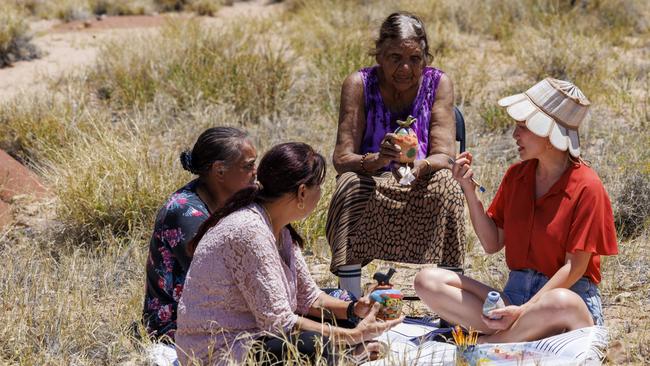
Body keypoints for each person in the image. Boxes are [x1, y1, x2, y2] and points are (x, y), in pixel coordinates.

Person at [414, 78, 618, 342]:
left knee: (561, 301)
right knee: (427, 280)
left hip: (563, 306)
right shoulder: (517, 176)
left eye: (523, 127)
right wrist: (468, 189)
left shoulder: (588, 186)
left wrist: (524, 311)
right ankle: (512, 337)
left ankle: (488, 343)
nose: (514, 135)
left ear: (547, 133)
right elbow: (491, 243)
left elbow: (575, 269)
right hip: (514, 301)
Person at [176, 142, 403, 365]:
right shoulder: (249, 231)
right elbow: (280, 324)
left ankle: (344, 355)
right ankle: (347, 356)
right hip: (218, 349)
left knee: (343, 316)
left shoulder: (280, 229)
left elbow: (309, 297)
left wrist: (354, 310)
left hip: (257, 333)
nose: (321, 193)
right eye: (319, 186)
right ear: (302, 192)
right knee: (313, 345)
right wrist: (353, 337)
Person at [327, 11, 465, 298]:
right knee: (350, 185)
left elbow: (445, 157)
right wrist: (376, 160)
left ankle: (451, 305)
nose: (405, 68)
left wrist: (419, 165)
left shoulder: (438, 84)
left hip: (420, 177)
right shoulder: (359, 84)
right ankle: (350, 304)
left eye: (415, 59)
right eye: (394, 58)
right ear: (379, 55)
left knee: (449, 186)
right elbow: (342, 159)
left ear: (426, 58)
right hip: (373, 181)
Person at [143, 126, 257, 342]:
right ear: (219, 171)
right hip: (180, 324)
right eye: (248, 166)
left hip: (222, 311)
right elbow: (217, 280)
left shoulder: (234, 198)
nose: (255, 172)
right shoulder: (184, 212)